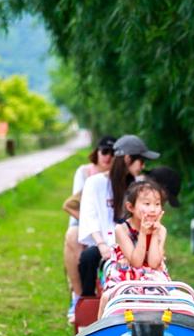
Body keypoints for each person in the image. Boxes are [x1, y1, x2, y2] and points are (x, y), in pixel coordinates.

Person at [78, 133, 160, 296]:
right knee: (88, 258)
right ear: (128, 159)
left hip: (132, 241)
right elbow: (90, 216)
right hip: (104, 242)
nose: (142, 166)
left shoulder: (138, 186)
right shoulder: (95, 183)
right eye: (141, 161)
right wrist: (101, 244)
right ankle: (87, 303)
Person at [98, 179, 170, 316]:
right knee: (107, 297)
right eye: (147, 204)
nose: (153, 209)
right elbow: (136, 262)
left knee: (180, 299)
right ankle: (101, 334)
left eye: (157, 204)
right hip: (126, 277)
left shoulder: (161, 230)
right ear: (131, 207)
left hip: (153, 277)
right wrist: (143, 233)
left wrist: (154, 234)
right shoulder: (122, 229)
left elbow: (154, 263)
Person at [64, 135, 115, 317]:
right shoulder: (86, 174)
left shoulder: (119, 177)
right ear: (97, 152)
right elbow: (73, 204)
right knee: (73, 237)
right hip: (83, 221)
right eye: (104, 152)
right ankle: (78, 297)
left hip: (108, 226)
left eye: (112, 153)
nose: (108, 157)